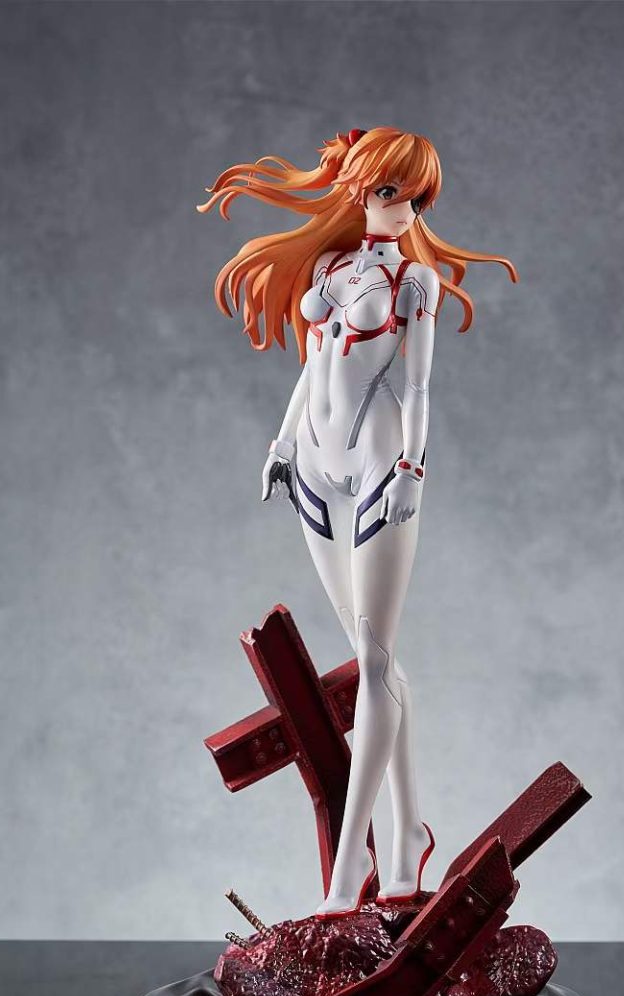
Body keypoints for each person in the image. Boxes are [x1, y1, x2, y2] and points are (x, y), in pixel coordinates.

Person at [198, 127, 518, 917]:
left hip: (379, 466)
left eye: (417, 199)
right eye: (391, 193)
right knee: (375, 660)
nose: (406, 211)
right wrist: (280, 445)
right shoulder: (328, 269)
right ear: (358, 190)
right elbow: (314, 366)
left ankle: (351, 872)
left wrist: (412, 469)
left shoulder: (416, 282)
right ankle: (407, 838)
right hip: (314, 466)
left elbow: (420, 388)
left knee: (375, 663)